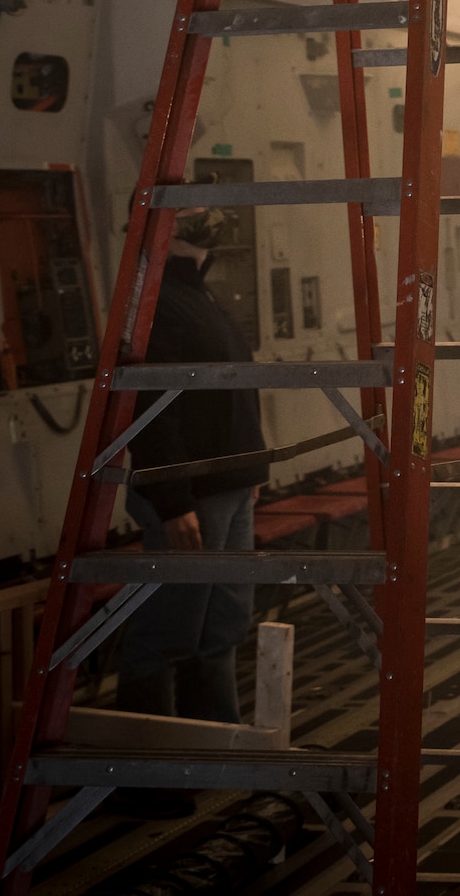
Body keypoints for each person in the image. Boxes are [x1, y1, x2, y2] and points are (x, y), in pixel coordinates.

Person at [116, 205, 268, 817]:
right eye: (191, 212)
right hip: (191, 496)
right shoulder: (159, 304)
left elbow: (232, 393)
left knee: (222, 626)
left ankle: (217, 752)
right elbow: (152, 410)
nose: (209, 218)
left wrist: (251, 473)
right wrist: (173, 499)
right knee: (170, 631)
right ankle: (149, 775)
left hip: (228, 489)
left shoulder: (200, 298)